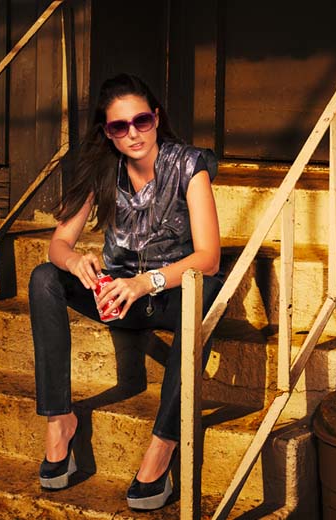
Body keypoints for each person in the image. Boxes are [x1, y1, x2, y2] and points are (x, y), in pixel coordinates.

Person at [28, 73, 222, 510]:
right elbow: (58, 244)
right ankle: (59, 421)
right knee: (44, 277)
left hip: (167, 295)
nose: (133, 133)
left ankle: (163, 445)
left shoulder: (188, 166)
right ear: (108, 132)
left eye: (141, 121)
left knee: (207, 291)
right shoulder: (103, 171)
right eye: (120, 126)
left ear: (156, 118)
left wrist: (144, 282)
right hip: (118, 298)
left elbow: (209, 257)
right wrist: (75, 261)